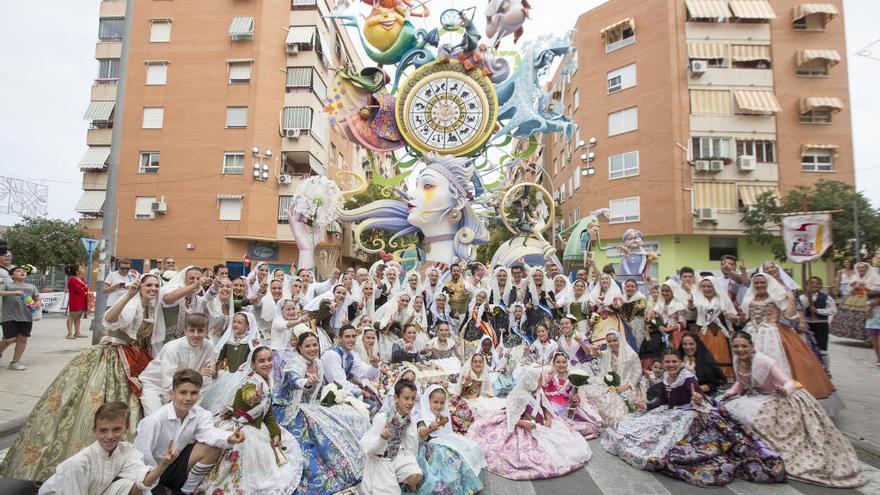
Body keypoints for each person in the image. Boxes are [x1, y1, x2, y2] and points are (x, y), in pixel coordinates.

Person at [0, 274, 159, 482]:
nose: (153, 288)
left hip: (136, 358)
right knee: (90, 402)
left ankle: (122, 463)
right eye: (149, 285)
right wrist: (127, 296)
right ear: (140, 287)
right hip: (112, 355)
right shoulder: (132, 304)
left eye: (156, 285)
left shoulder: (152, 307)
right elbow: (110, 319)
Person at [602, 349, 786, 487]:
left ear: (681, 362)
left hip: (688, 413)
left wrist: (697, 398)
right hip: (670, 410)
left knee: (664, 438)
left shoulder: (688, 377)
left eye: (674, 361)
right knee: (630, 427)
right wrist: (647, 405)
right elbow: (663, 399)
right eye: (668, 362)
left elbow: (699, 396)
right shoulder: (666, 376)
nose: (671, 365)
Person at [721, 332, 865, 488]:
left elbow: (789, 382)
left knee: (762, 422)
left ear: (752, 346)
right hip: (758, 397)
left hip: (782, 398)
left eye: (744, 346)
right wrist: (729, 392)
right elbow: (741, 382)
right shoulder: (738, 360)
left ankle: (767, 454)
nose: (740, 349)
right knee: (725, 410)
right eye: (736, 346)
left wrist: (783, 391)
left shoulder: (765, 362)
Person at [273, 330, 368, 494]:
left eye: (315, 345)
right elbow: (294, 381)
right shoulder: (294, 364)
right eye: (307, 346)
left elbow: (318, 389)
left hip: (309, 408)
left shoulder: (318, 363)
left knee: (338, 429)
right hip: (289, 410)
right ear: (300, 349)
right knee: (305, 447)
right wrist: (306, 382)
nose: (312, 349)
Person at [200, 346, 303, 495]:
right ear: (253, 365)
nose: (267, 363)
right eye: (262, 361)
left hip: (256, 425)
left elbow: (267, 414)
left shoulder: (268, 380)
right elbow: (248, 395)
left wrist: (275, 432)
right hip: (240, 428)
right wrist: (255, 396)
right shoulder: (251, 381)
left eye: (269, 359)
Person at [466, 365, 592, 480]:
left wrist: (548, 419)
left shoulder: (538, 392)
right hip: (524, 425)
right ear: (531, 380)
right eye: (539, 380)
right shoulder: (519, 395)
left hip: (541, 423)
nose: (541, 382)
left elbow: (546, 408)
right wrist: (524, 423)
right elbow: (512, 416)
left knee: (564, 440)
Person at [134, 369, 245, 495]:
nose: (188, 398)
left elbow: (209, 433)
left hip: (174, 466)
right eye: (183, 392)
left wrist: (230, 437)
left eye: (193, 393)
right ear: (172, 393)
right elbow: (141, 457)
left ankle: (185, 492)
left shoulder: (199, 413)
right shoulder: (155, 420)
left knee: (212, 448)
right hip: (152, 472)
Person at [39, 401, 176, 495]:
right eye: (103, 430)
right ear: (94, 431)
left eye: (116, 429)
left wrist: (163, 465)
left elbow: (144, 480)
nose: (110, 436)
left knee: (132, 486)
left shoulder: (126, 450)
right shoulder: (80, 462)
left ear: (126, 428)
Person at [741, 273, 835, 401]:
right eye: (756, 283)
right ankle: (753, 388)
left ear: (768, 284)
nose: (759, 285)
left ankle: (778, 389)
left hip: (772, 332)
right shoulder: (749, 298)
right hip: (751, 331)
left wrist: (791, 299)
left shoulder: (776, 296)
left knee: (773, 361)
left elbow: (790, 315)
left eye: (762, 282)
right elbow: (744, 317)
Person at [413, 385, 486, 495]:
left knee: (467, 447)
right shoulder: (423, 417)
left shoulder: (441, 416)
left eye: (442, 403)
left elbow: (446, 430)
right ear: (428, 401)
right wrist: (429, 429)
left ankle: (465, 484)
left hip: (442, 441)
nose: (438, 406)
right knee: (447, 457)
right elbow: (421, 433)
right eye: (435, 402)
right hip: (429, 446)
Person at [139, 313, 215, 415]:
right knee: (156, 418)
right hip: (155, 386)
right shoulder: (172, 347)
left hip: (184, 390)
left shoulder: (209, 347)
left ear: (207, 332)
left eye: (200, 331)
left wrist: (193, 405)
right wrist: (197, 374)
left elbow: (206, 380)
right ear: (185, 331)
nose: (196, 335)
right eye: (192, 330)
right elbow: (168, 381)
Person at [359, 379, 424, 495]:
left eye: (413, 399)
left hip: (396, 455)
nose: (410, 402)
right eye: (406, 398)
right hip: (380, 460)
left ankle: (407, 485)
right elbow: (366, 445)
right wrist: (381, 439)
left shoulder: (409, 419)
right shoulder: (383, 418)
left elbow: (411, 445)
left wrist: (410, 461)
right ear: (396, 398)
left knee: (416, 475)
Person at [581, 330, 641, 427]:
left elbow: (637, 374)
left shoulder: (631, 355)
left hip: (626, 385)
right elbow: (597, 354)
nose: (612, 344)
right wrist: (595, 350)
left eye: (615, 340)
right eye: (609, 341)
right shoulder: (607, 353)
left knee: (611, 401)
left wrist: (626, 386)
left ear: (620, 340)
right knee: (587, 392)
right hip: (608, 383)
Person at [542, 352, 602, 438]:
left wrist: (575, 399)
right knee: (556, 422)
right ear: (554, 363)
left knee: (590, 426)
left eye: (564, 362)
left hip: (565, 406)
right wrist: (547, 381)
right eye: (558, 362)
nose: (561, 364)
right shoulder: (551, 376)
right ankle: (552, 423)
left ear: (567, 363)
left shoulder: (571, 378)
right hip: (551, 405)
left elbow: (575, 396)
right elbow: (541, 391)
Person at [322, 324, 381, 407]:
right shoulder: (332, 354)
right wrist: (361, 391)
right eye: (347, 337)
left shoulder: (351, 355)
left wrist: (374, 365)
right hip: (325, 396)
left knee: (374, 404)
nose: (351, 340)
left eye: (353, 336)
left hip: (340, 392)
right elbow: (338, 382)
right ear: (339, 339)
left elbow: (366, 372)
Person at [689, 275, 737, 379]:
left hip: (719, 331)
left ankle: (723, 376)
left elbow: (730, 314)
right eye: (704, 286)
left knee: (720, 353)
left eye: (709, 286)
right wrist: (691, 304)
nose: (706, 289)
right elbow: (692, 307)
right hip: (703, 331)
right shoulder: (698, 300)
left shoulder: (722, 299)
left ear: (714, 287)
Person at [0, 265, 41, 370]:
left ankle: (15, 362)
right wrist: (14, 293)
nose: (22, 272)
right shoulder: (7, 284)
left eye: (23, 271)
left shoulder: (32, 287)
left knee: (22, 339)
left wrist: (37, 303)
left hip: (26, 317)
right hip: (9, 316)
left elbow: (37, 298)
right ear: (12, 275)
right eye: (18, 271)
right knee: (9, 339)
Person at [832, 261, 880, 342]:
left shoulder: (874, 276)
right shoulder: (855, 276)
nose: (861, 269)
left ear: (867, 268)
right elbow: (849, 290)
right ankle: (859, 336)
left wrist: (865, 286)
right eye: (859, 267)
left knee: (870, 318)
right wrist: (853, 286)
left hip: (870, 298)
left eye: (863, 267)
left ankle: (872, 338)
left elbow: (877, 289)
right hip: (855, 298)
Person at [800, 276, 836, 370]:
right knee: (808, 347)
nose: (815, 285)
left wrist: (818, 311)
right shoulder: (803, 297)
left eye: (818, 283)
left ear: (821, 286)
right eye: (811, 283)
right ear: (807, 285)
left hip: (821, 325)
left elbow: (833, 311)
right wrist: (808, 297)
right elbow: (800, 308)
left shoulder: (826, 297)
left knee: (822, 348)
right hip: (808, 325)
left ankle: (825, 369)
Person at [65, 263, 89, 339]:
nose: (83, 269)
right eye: (81, 268)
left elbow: (86, 288)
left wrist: (85, 288)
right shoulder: (72, 280)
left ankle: (77, 332)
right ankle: (69, 333)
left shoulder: (81, 279)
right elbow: (80, 290)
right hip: (75, 301)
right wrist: (85, 288)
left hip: (82, 300)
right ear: (77, 271)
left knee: (78, 317)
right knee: (72, 316)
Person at [865, 291, 880, 366]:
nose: (873, 300)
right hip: (872, 326)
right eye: (871, 298)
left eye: (875, 298)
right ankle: (878, 358)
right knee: (875, 343)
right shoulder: (869, 306)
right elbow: (868, 317)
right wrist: (870, 308)